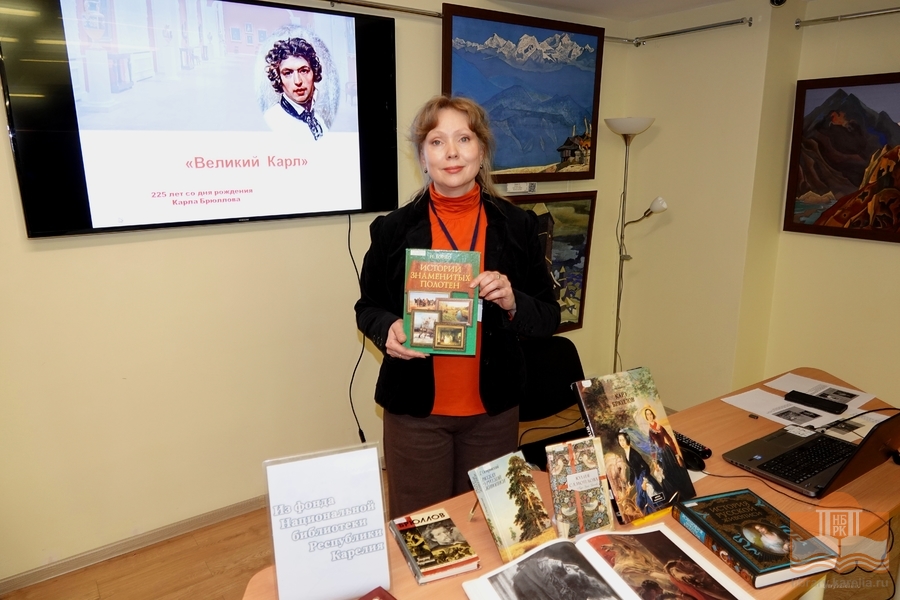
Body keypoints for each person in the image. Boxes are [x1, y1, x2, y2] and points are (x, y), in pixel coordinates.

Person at [354, 95, 560, 518]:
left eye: (463, 139)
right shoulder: (392, 229)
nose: (451, 152)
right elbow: (368, 307)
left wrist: (513, 301)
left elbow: (548, 316)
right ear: (422, 156)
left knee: (489, 525)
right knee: (423, 530)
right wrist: (387, 328)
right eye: (436, 141)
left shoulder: (518, 226)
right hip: (415, 413)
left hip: (493, 413)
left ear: (481, 150)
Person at [263, 37, 327, 140]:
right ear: (279, 78)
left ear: (314, 73)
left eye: (304, 71)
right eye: (288, 73)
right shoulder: (271, 120)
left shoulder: (319, 121)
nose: (298, 81)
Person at [643, 407, 695, 501]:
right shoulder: (650, 431)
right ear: (646, 417)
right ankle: (677, 497)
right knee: (667, 476)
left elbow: (670, 440)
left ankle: (685, 494)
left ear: (653, 415)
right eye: (647, 414)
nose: (649, 416)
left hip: (668, 452)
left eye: (650, 414)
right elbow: (652, 447)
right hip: (661, 455)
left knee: (677, 472)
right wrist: (654, 462)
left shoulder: (660, 427)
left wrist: (676, 455)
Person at [617, 431, 665, 515]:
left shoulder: (634, 454)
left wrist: (644, 482)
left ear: (627, 439)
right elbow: (632, 469)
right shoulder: (626, 453)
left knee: (649, 499)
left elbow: (646, 467)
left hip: (644, 478)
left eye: (623, 440)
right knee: (641, 502)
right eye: (620, 440)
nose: (622, 442)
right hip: (638, 479)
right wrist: (630, 485)